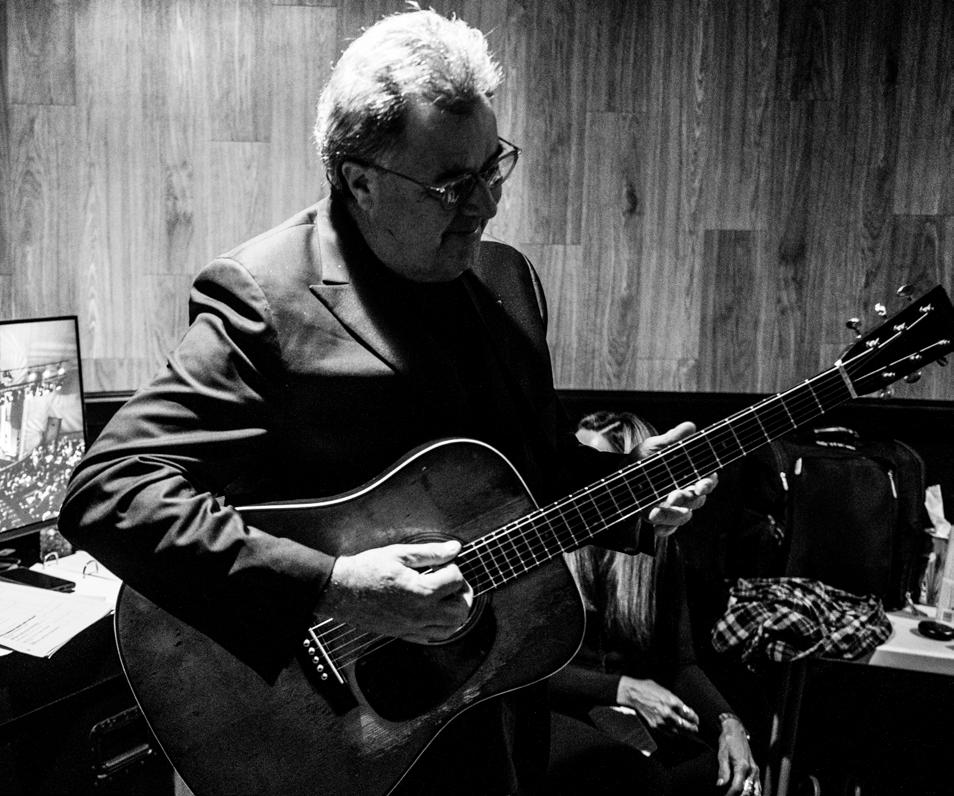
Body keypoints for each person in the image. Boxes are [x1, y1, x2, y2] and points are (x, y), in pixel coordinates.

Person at [59, 9, 716, 796]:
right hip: (321, 728)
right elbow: (110, 492)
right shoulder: (265, 298)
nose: (484, 205)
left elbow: (526, 473)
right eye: (451, 184)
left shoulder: (508, 283)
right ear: (359, 179)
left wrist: (637, 487)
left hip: (487, 708)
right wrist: (334, 585)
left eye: (493, 168)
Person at [547, 411, 758, 796]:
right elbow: (525, 673)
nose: (577, 491)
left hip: (619, 716)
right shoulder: (545, 549)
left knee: (715, 771)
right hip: (551, 708)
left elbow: (680, 663)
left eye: (595, 473)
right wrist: (620, 689)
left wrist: (729, 723)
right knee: (629, 774)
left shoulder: (659, 550)